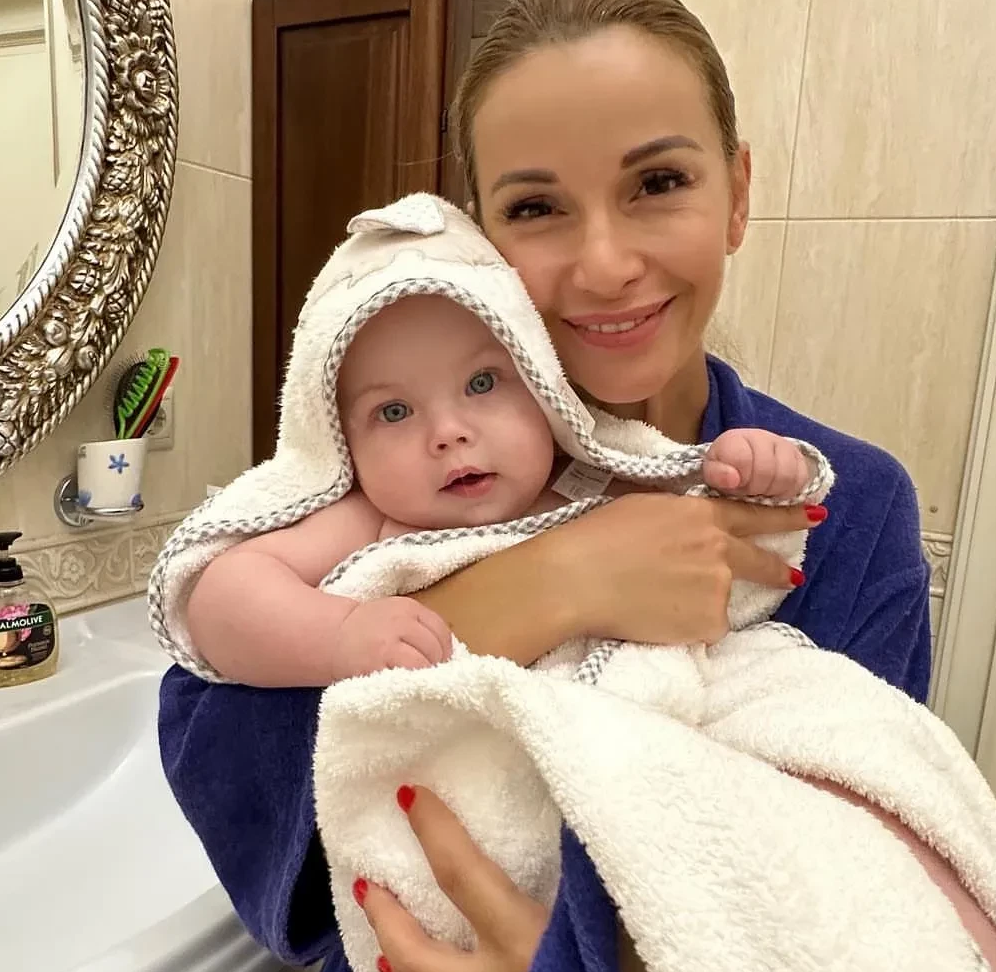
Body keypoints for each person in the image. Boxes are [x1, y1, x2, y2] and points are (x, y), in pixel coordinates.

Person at [158, 0, 933, 972]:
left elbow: (861, 896)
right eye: (536, 208)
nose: (605, 263)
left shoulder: (849, 504)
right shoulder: (390, 474)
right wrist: (548, 585)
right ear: (478, 242)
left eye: (658, 183)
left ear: (737, 195)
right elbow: (220, 737)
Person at [182, 288, 813, 688]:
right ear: (342, 444)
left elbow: (707, 537)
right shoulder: (371, 518)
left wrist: (744, 470)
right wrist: (339, 637)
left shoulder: (587, 485)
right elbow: (221, 597)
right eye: (394, 412)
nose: (448, 433)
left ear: (545, 394)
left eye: (482, 384)